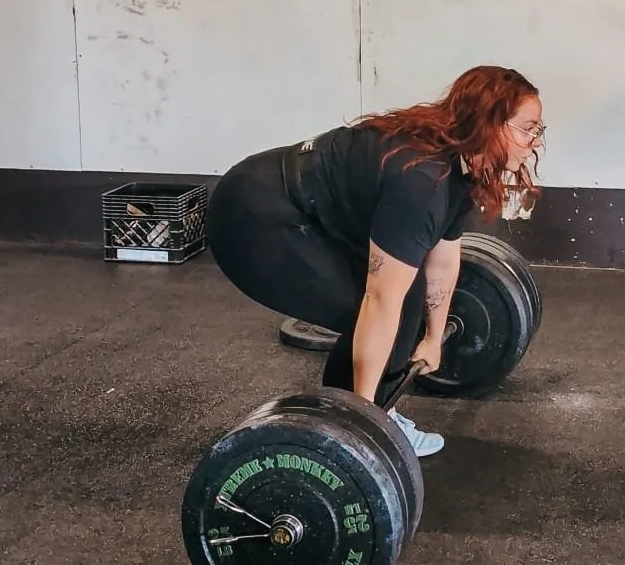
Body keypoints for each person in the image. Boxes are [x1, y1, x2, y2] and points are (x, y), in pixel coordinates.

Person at [205, 66, 544, 458]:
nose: (534, 142)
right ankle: (356, 422)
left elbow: (444, 260)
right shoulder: (421, 181)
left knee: (404, 301)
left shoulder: (461, 167)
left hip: (308, 210)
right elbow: (381, 301)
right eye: (527, 128)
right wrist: (363, 419)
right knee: (379, 310)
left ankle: (366, 415)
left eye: (538, 130)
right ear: (489, 123)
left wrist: (434, 338)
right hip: (254, 217)